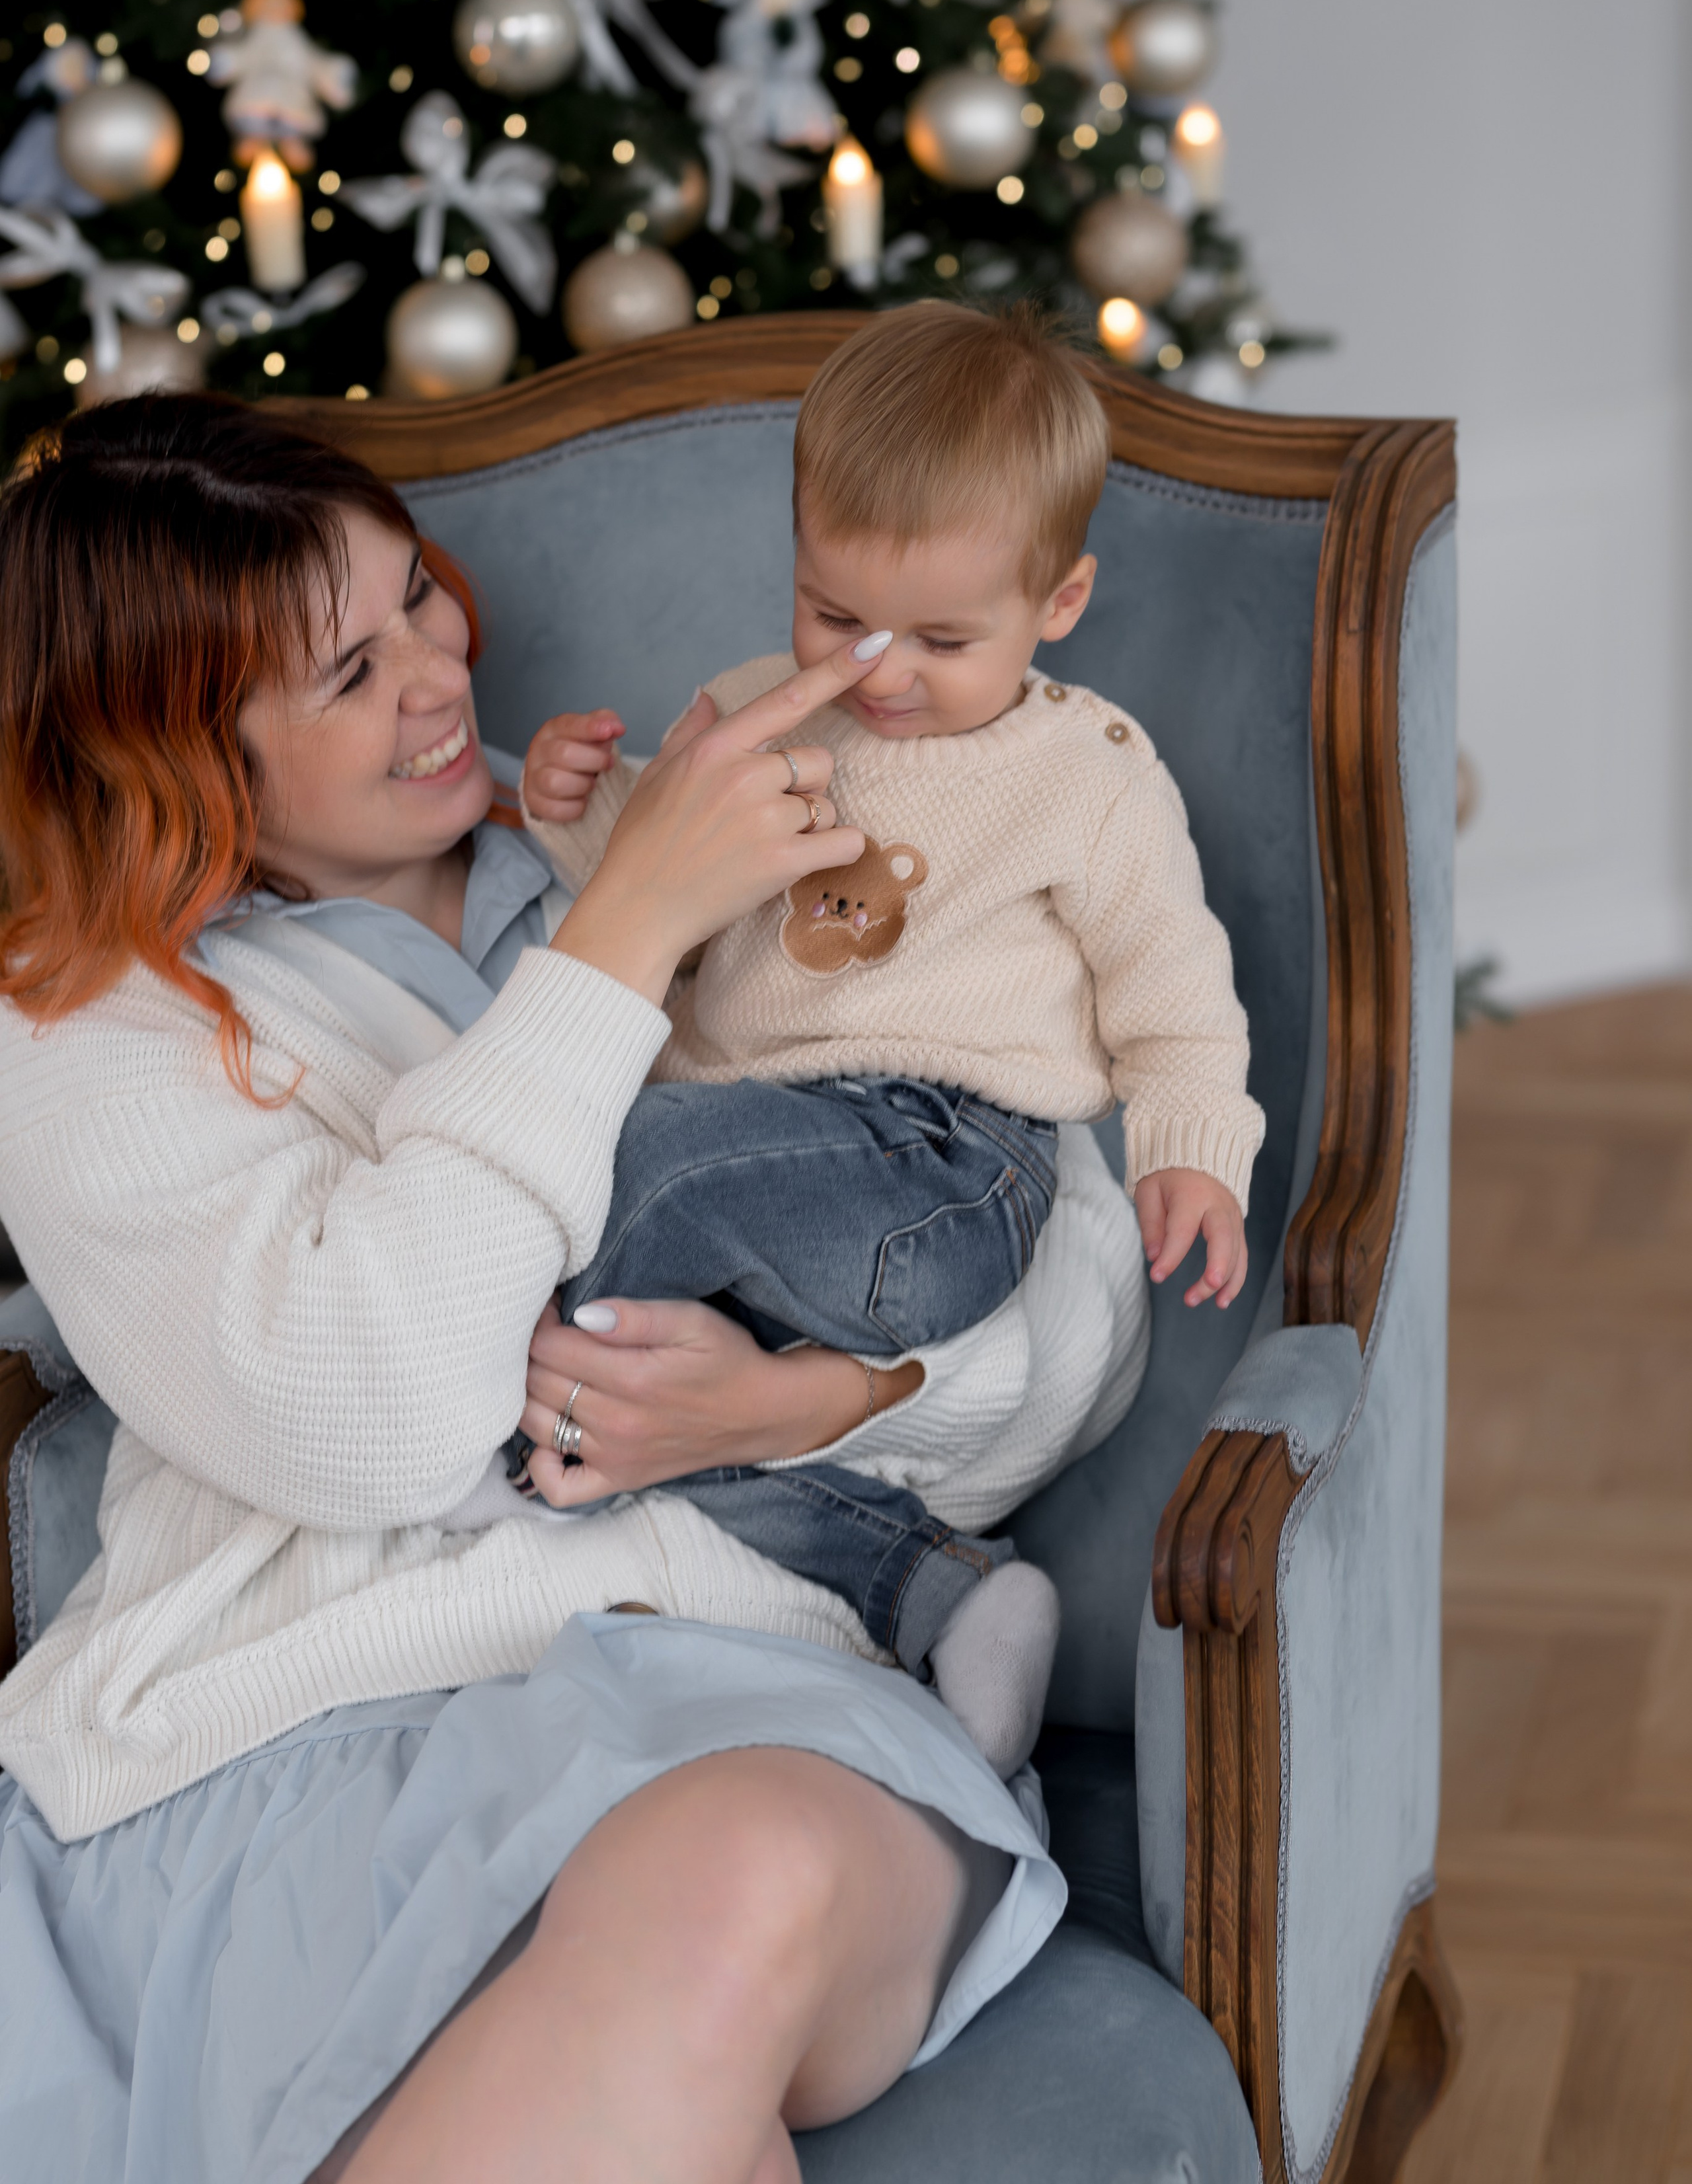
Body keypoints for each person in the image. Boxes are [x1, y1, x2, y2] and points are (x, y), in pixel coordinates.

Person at [0, 394, 1146, 2184]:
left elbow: (1070, 1291)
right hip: (269, 1744)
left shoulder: (712, 842)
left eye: (419, 600)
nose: (441, 674)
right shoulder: (87, 1022)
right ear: (180, 756)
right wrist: (618, 950)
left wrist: (814, 1405)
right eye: (345, 671)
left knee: (732, 1886)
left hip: (735, 1690)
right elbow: (375, 1415)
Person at [520, 300, 1265, 1774]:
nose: (878, 672)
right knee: (662, 1416)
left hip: (940, 1168)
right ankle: (940, 1589)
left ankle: (500, 1437)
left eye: (940, 636)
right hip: (768, 1181)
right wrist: (573, 809)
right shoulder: (750, 708)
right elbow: (653, 882)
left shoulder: (1085, 773)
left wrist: (1195, 1154)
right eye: (831, 615)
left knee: (635, 1169)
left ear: (1055, 601)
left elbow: (1171, 990)